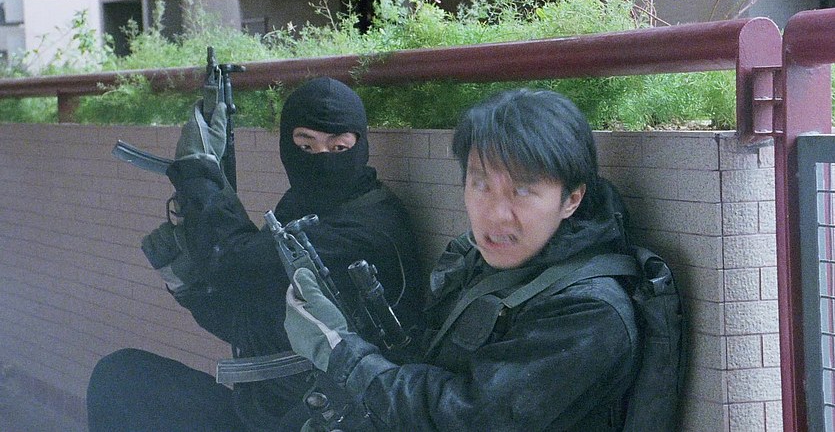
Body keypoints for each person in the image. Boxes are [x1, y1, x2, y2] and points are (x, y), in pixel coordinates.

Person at [283, 88, 641, 431]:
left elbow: (464, 417)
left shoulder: (589, 313)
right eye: (481, 185)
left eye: (522, 190)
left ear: (571, 200)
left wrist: (342, 354)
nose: (496, 215)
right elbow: (429, 364)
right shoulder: (480, 261)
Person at [87, 77, 424, 431]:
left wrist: (199, 172)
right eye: (305, 146)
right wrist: (191, 288)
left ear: (361, 145)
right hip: (272, 413)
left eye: (339, 147)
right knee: (121, 378)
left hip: (333, 420)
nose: (322, 160)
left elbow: (237, 264)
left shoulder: (371, 229)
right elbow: (251, 317)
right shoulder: (304, 205)